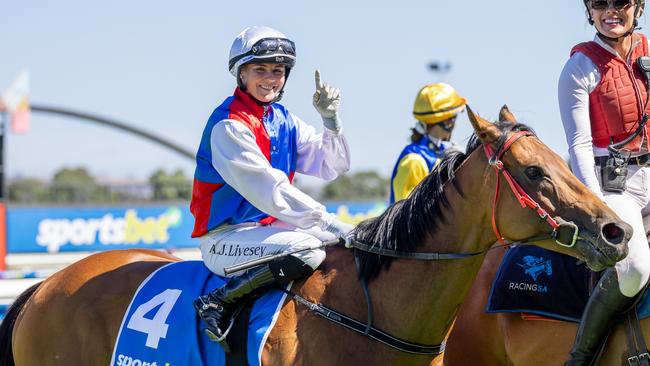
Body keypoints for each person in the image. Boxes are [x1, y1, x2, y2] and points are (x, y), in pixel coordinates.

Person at [190, 25, 353, 346]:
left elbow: (331, 165)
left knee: (349, 248)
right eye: (260, 69)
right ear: (241, 74)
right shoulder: (229, 125)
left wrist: (331, 122)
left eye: (278, 70)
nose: (270, 78)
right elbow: (270, 190)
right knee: (306, 250)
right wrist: (331, 222)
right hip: (226, 239)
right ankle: (218, 301)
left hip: (268, 231)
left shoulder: (284, 119)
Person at [558, 0, 650, 364]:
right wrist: (595, 205)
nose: (611, 11)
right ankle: (581, 356)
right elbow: (578, 145)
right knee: (634, 271)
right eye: (600, 3)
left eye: (621, 2)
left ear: (638, 8)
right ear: (590, 11)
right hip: (614, 187)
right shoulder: (578, 68)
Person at [389, 83, 467, 203]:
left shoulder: (442, 152)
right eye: (455, 117)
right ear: (448, 122)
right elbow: (407, 215)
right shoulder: (414, 161)